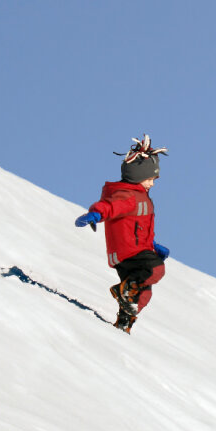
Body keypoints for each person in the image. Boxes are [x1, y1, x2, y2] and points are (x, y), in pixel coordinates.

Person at [75, 135, 170, 334]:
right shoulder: (128, 196)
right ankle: (123, 291)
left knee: (143, 294)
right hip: (129, 251)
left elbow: (139, 228)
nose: (152, 184)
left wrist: (153, 245)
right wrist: (96, 214)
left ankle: (124, 322)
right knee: (156, 270)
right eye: (150, 179)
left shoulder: (140, 198)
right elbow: (110, 206)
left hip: (136, 250)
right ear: (137, 176)